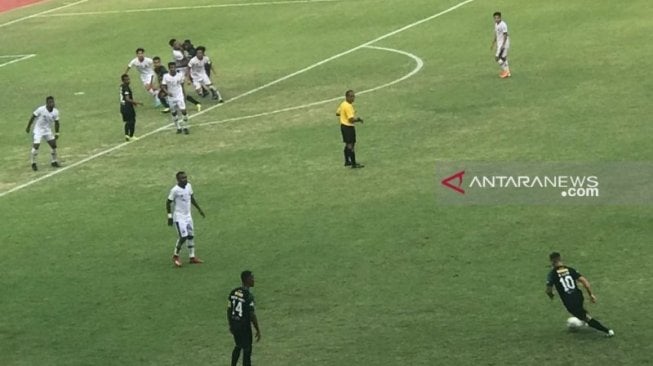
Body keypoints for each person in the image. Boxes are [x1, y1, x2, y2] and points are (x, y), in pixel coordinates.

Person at [546, 252, 614, 337]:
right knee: (581, 310)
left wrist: (551, 295)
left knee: (586, 317)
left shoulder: (552, 274)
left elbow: (548, 290)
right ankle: (585, 320)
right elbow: (584, 281)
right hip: (578, 296)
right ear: (561, 259)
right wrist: (591, 294)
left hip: (569, 301)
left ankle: (607, 331)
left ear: (552, 261)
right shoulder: (570, 269)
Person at [166, 171, 205, 267]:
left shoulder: (188, 186)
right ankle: (175, 256)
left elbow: (191, 198)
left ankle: (192, 257)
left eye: (185, 177)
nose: (185, 179)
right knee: (183, 236)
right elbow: (168, 202)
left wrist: (199, 209)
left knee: (191, 235)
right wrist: (170, 217)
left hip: (188, 216)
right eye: (183, 178)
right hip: (179, 217)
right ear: (178, 180)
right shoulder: (175, 190)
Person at [227, 270, 261, 366]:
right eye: (252, 278)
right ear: (247, 280)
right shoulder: (248, 296)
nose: (254, 280)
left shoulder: (233, 292)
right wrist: (257, 329)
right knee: (247, 349)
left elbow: (229, 310)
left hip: (235, 324)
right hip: (244, 326)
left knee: (238, 345)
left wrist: (230, 324)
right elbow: (252, 315)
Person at [25, 96, 60, 171]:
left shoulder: (55, 111)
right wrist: (28, 127)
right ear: (47, 103)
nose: (52, 104)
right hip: (38, 130)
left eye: (53, 102)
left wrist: (57, 133)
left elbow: (57, 122)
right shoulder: (41, 109)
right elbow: (33, 117)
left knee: (53, 145)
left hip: (47, 130)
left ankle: (54, 161)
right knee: (36, 146)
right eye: (50, 102)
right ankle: (33, 163)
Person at [169, 38, 202, 111]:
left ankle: (197, 95)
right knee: (180, 89)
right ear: (173, 46)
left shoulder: (180, 49)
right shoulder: (176, 53)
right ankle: (193, 102)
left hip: (185, 68)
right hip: (180, 70)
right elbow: (185, 59)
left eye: (178, 42)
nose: (178, 44)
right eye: (176, 44)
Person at [336, 90, 364, 168]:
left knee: (349, 144)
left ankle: (347, 161)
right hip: (348, 127)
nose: (353, 98)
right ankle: (353, 164)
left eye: (353, 96)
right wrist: (358, 119)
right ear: (347, 97)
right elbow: (351, 119)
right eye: (351, 96)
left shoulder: (343, 104)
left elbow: (337, 113)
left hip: (344, 126)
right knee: (350, 145)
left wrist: (343, 115)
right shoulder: (348, 106)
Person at [161, 62, 190, 134]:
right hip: (171, 97)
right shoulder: (165, 76)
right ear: (169, 68)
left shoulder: (180, 75)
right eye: (171, 67)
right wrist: (167, 92)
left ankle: (185, 127)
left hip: (179, 95)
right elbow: (163, 86)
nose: (173, 69)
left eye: (174, 67)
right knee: (174, 113)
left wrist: (184, 94)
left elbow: (182, 85)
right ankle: (178, 127)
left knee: (184, 111)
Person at [120, 74, 143, 141]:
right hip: (127, 107)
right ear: (123, 81)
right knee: (132, 120)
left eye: (128, 79)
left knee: (127, 121)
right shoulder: (126, 87)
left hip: (122, 106)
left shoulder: (121, 86)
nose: (128, 81)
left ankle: (126, 135)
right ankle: (131, 135)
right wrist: (136, 102)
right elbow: (127, 98)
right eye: (127, 80)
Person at [490, 11, 511, 78]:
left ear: (500, 18)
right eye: (495, 18)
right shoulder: (496, 24)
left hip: (503, 43)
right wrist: (493, 43)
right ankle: (507, 72)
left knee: (497, 58)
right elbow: (496, 34)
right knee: (503, 58)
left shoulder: (503, 25)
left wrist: (503, 45)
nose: (496, 19)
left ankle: (506, 72)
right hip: (500, 43)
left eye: (497, 18)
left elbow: (505, 35)